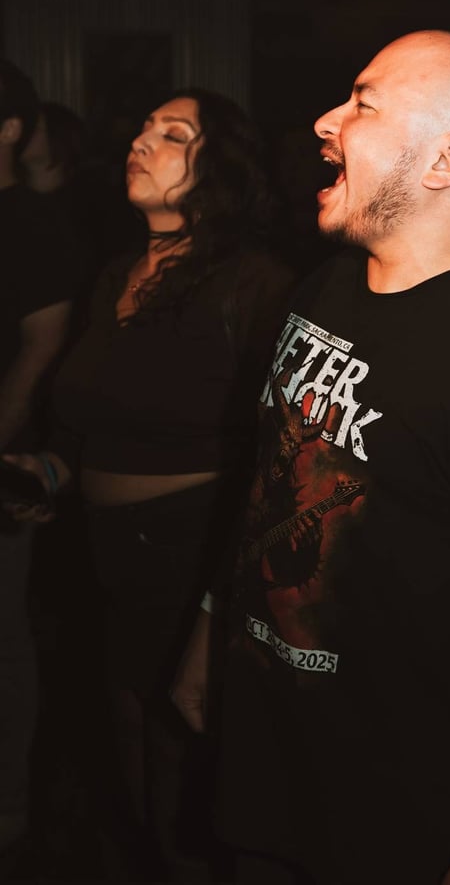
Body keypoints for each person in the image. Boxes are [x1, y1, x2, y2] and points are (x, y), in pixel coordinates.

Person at [171, 30, 450, 885]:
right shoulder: (328, 283)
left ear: (447, 158)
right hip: (267, 754)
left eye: (363, 103)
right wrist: (207, 630)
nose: (324, 120)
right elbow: (267, 481)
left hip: (395, 805)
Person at [3, 86, 296, 880]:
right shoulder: (116, 275)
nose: (142, 140)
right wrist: (47, 469)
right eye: (142, 128)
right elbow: (87, 422)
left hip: (191, 553)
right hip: (107, 559)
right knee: (130, 764)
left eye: (172, 134)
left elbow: (281, 454)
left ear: (220, 166)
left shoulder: (254, 282)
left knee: (181, 781)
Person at [0, 59, 77, 862]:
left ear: (10, 129)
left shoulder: (31, 223)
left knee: (4, 644)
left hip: (6, 471)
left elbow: (41, 345)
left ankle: (11, 812)